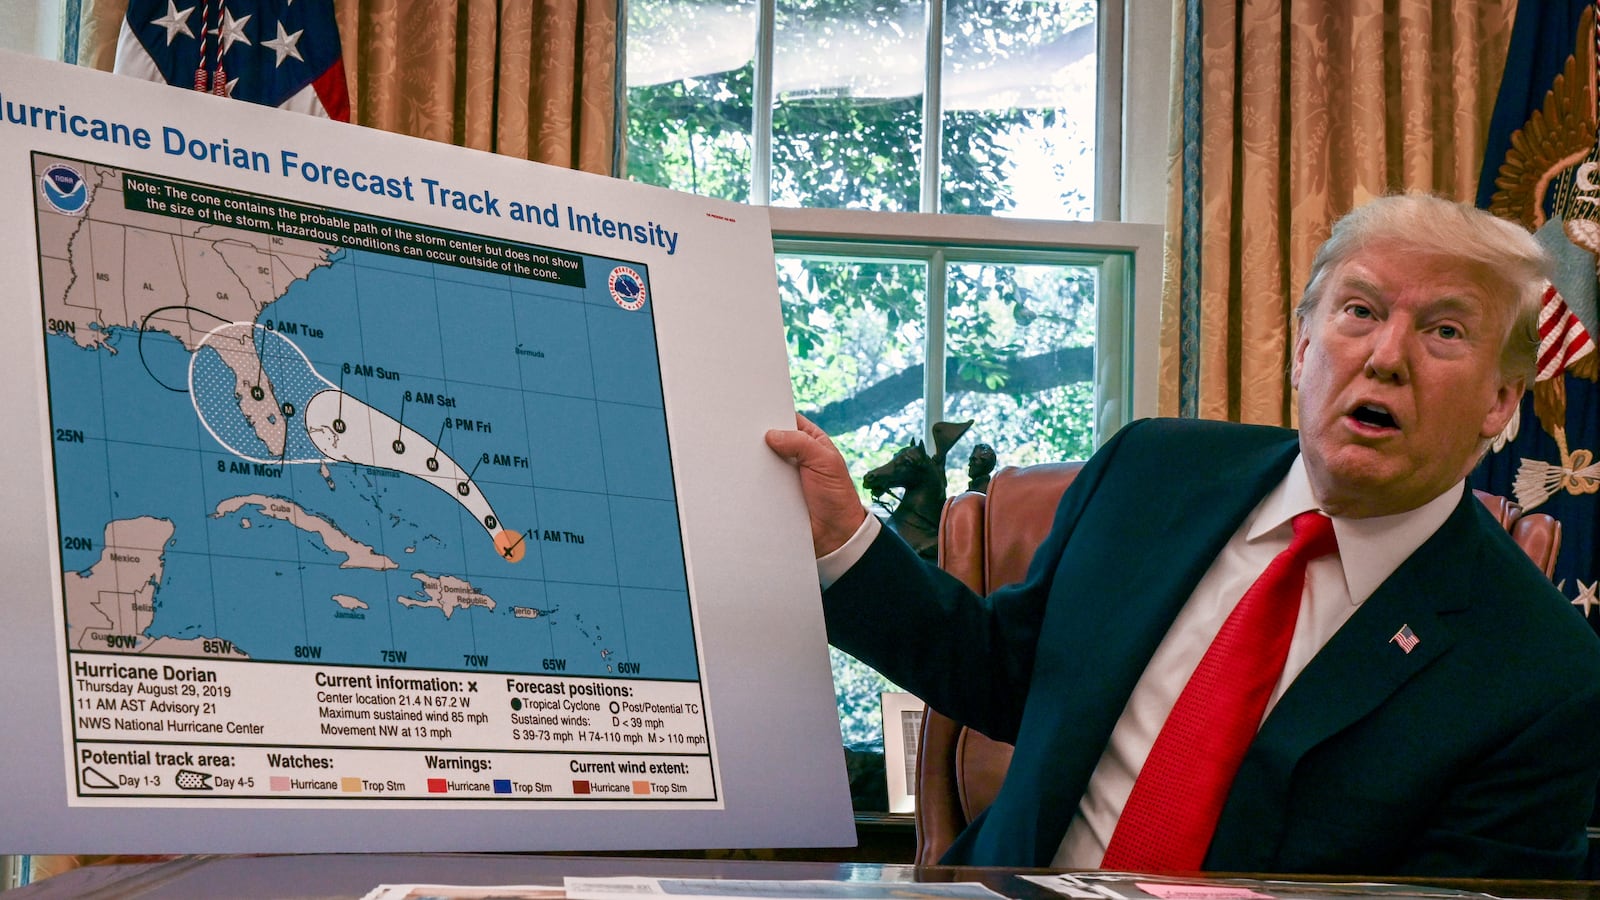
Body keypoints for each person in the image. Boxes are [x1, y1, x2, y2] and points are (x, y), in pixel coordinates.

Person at [766, 194, 1600, 878]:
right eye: (1360, 310)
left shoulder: (1543, 673)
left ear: (1500, 401)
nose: (1387, 356)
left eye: (1445, 331)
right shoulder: (1153, 471)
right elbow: (1004, 675)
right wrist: (846, 537)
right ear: (1304, 347)